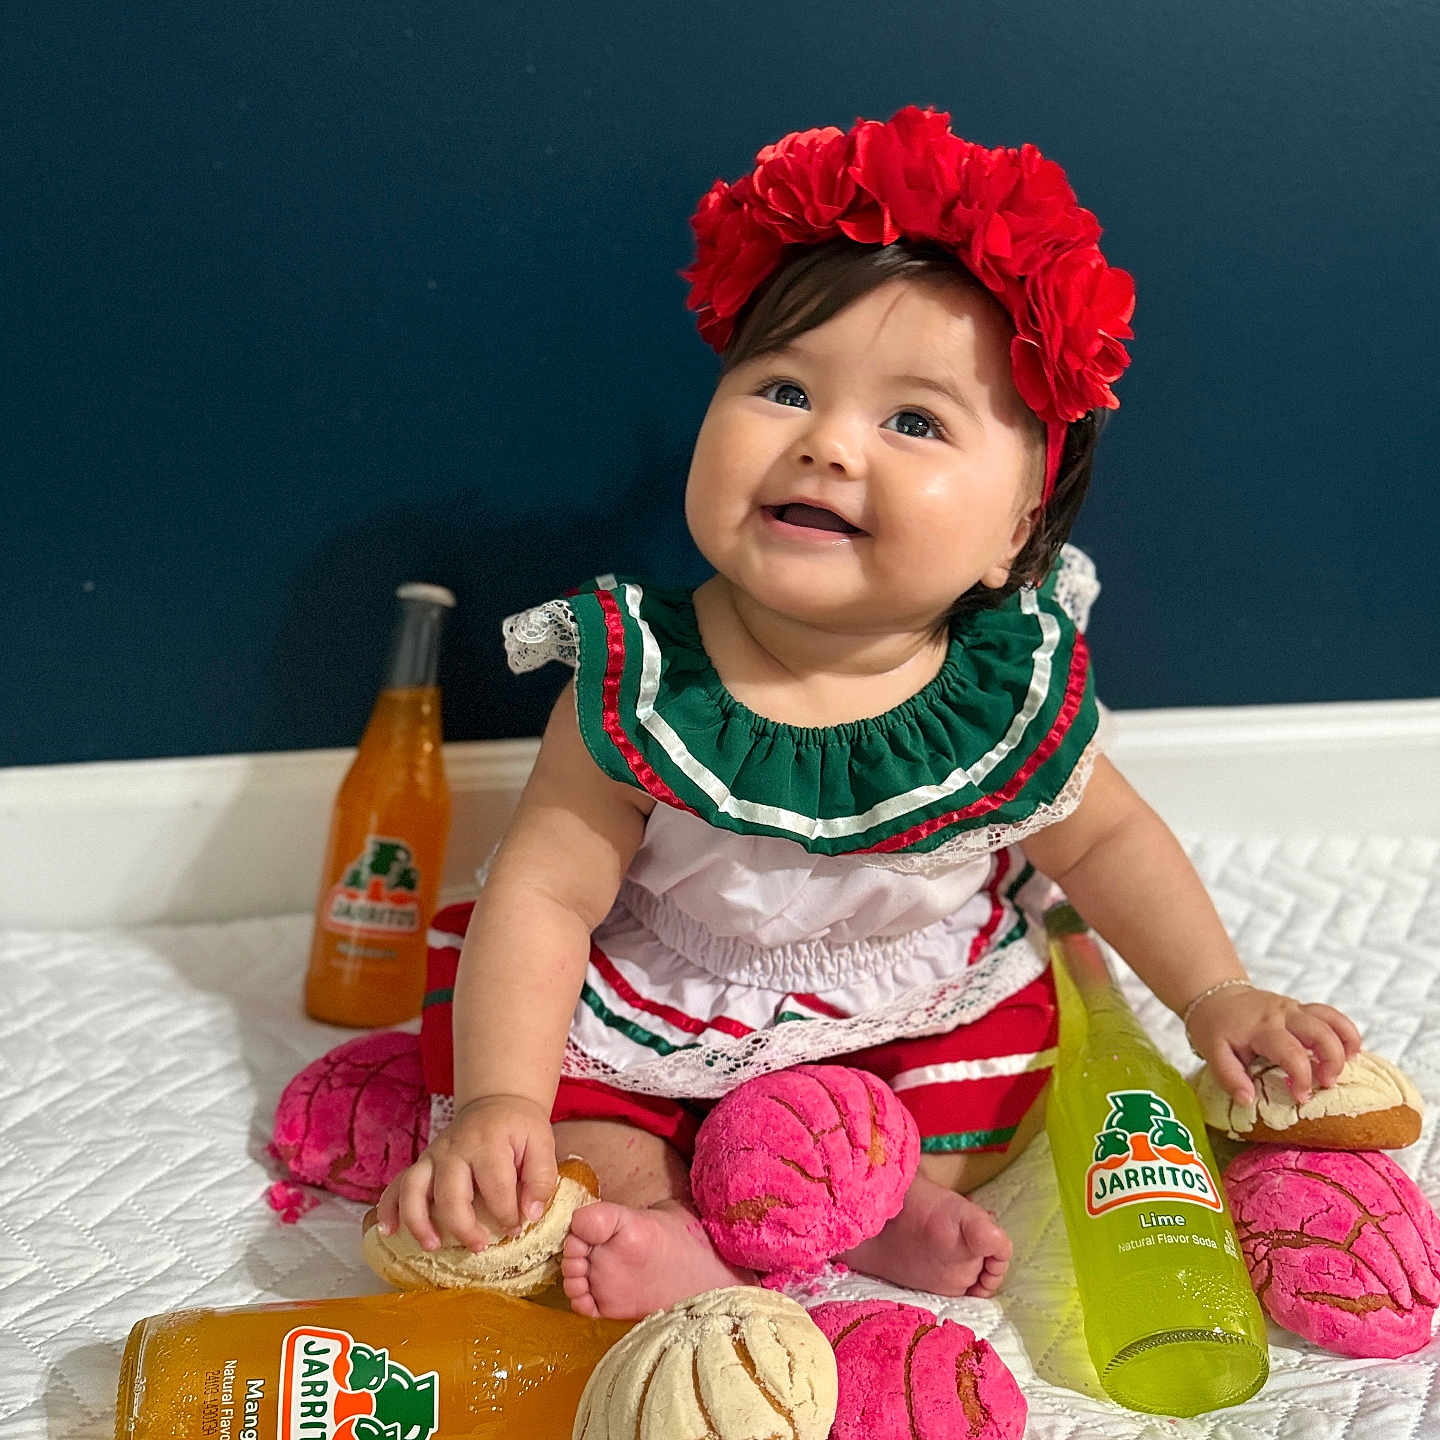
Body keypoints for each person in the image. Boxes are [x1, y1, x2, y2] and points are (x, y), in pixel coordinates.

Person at [374, 105, 1362, 1319]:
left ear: (1014, 538)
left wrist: (1217, 995)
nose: (829, 445)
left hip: (902, 1008)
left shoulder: (1001, 694)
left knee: (994, 1096)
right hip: (670, 999)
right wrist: (501, 1104)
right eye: (785, 388)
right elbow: (544, 894)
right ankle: (686, 1222)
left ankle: (866, 1207)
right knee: (568, 1133)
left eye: (914, 421)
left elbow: (1107, 841)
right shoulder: (640, 682)